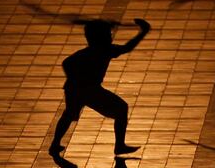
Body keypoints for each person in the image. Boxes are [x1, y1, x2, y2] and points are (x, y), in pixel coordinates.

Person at [49, 18, 150, 156]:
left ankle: (55, 144)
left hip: (74, 88)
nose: (110, 37)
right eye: (108, 34)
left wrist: (73, 78)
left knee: (69, 114)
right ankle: (119, 145)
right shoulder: (105, 50)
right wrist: (143, 32)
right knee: (121, 109)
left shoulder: (89, 51)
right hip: (88, 89)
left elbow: (67, 63)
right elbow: (127, 47)